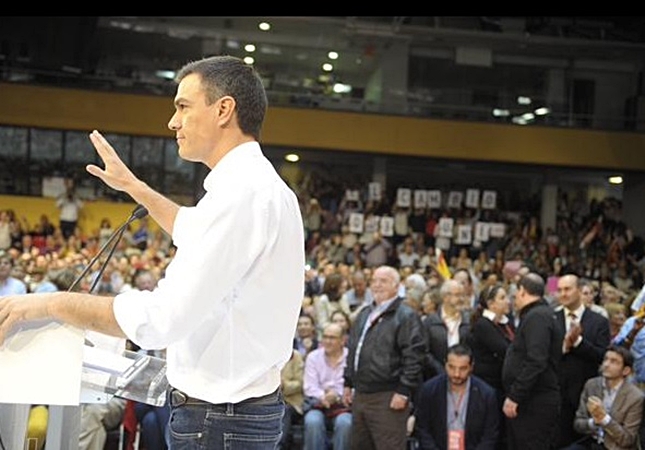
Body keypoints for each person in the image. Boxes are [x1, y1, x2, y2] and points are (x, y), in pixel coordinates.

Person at [0, 55, 305, 449]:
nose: (172, 122)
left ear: (224, 109)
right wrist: (134, 187)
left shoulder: (242, 195)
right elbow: (191, 230)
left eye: (183, 106)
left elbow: (163, 319)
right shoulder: (259, 187)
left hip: (218, 421)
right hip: (231, 415)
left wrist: (50, 305)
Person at [343, 265, 426, 450]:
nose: (377, 285)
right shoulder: (364, 314)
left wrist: (404, 390)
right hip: (360, 394)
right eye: (374, 281)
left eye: (383, 281)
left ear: (397, 286)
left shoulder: (406, 315)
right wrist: (348, 382)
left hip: (388, 396)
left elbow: (414, 356)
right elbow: (352, 350)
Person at [502, 272, 563, 450]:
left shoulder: (537, 317)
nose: (514, 299)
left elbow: (536, 360)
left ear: (522, 291)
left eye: (515, 294)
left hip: (534, 402)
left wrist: (515, 395)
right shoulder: (540, 315)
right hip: (532, 399)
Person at [555, 273, 610, 448]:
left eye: (567, 289)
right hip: (555, 395)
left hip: (585, 393)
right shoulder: (550, 318)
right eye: (559, 290)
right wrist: (564, 346)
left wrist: (578, 342)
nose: (563, 293)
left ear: (579, 291)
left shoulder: (599, 321)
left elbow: (601, 355)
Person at [414, 343, 500, 450]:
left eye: (462, 368)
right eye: (452, 367)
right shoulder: (430, 390)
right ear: (445, 364)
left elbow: (490, 436)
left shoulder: (486, 394)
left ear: (471, 367)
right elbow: (422, 429)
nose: (456, 374)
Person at [570, 345, 644, 450]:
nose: (606, 364)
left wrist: (604, 419)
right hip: (591, 442)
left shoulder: (636, 397)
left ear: (626, 370)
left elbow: (627, 439)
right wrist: (593, 422)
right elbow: (578, 424)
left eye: (613, 361)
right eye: (605, 359)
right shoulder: (591, 384)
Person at [303, 322, 352, 450]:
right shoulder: (313, 357)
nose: (327, 341)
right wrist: (323, 396)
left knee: (346, 423)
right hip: (318, 404)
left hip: (343, 405)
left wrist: (336, 395)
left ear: (342, 340)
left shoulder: (350, 357)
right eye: (325, 337)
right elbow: (309, 387)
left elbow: (355, 384)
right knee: (313, 422)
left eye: (332, 338)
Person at [423, 279, 471, 378]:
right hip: (435, 377)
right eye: (457, 295)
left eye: (463, 295)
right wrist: (441, 370)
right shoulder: (430, 322)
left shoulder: (469, 321)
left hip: (464, 377)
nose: (461, 299)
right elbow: (424, 352)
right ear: (445, 297)